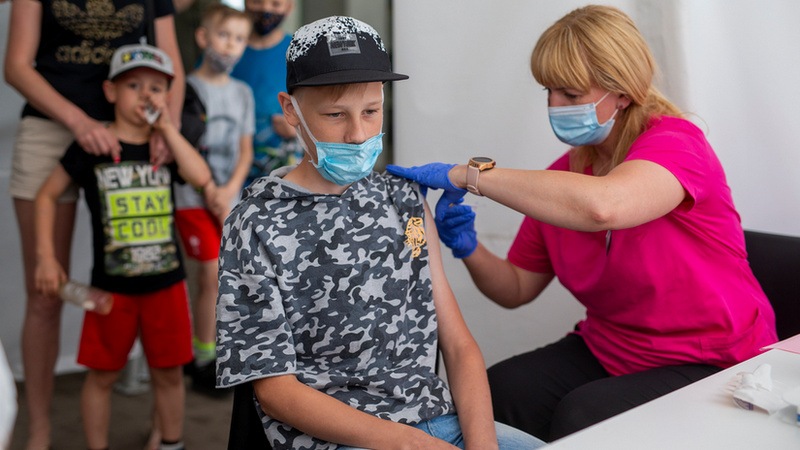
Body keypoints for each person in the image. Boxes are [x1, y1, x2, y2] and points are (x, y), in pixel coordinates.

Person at [386, 4, 778, 442]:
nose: (555, 106)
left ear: (623, 92)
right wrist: (467, 246)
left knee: (587, 416)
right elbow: (515, 288)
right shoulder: (564, 181)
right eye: (548, 91)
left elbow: (603, 208)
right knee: (498, 393)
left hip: (714, 359)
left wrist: (468, 175)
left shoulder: (676, 145)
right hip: (612, 349)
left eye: (570, 95)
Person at [215, 16, 545, 450]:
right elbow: (277, 392)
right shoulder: (255, 223)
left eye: (371, 111)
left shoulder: (405, 200)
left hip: (435, 420)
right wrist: (411, 445)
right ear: (291, 109)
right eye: (335, 115)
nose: (357, 135)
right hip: (336, 437)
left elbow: (459, 345)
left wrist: (482, 445)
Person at [3, 1, 184, 448]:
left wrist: (167, 128)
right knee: (46, 292)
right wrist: (79, 122)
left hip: (134, 123)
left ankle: (168, 429)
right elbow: (17, 66)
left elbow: (172, 63)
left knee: (151, 272)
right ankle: (40, 429)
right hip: (53, 125)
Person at [33, 44, 210, 450]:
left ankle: (170, 443)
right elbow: (46, 196)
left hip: (167, 286)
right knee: (102, 376)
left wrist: (167, 129)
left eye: (156, 87)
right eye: (134, 85)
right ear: (111, 91)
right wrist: (45, 256)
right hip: (110, 290)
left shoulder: (165, 148)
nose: (146, 95)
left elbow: (201, 178)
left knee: (169, 375)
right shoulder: (92, 146)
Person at [174, 3, 255, 394]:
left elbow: (245, 152)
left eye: (239, 39)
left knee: (230, 277)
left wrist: (229, 192)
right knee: (208, 272)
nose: (231, 46)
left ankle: (227, 353)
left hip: (230, 199)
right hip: (192, 197)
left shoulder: (243, 93)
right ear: (203, 38)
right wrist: (210, 192)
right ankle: (203, 358)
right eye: (224, 36)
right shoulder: (185, 88)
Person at [231, 0, 299, 186]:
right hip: (229, 173)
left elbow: (321, 106)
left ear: (289, 7)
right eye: (257, 1)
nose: (266, 9)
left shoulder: (299, 52)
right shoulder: (228, 48)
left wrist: (297, 128)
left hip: (284, 174)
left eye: (276, 3)